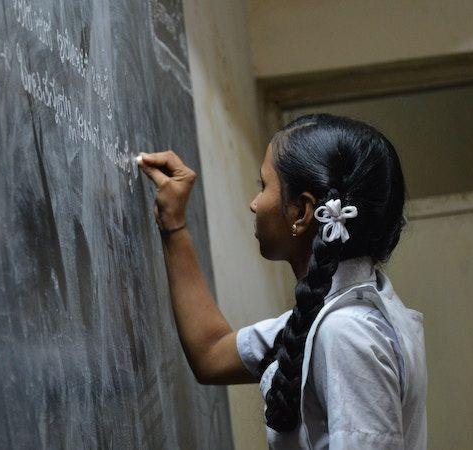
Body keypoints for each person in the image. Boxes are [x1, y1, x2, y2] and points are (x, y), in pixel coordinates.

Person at [137, 113, 427, 449]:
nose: (254, 203)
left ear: (303, 213)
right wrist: (174, 224)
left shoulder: (346, 332)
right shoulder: (337, 315)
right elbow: (212, 354)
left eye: (263, 186)